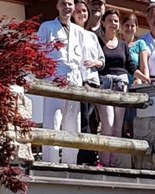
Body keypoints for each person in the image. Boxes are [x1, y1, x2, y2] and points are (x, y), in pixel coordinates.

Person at [37, 0, 86, 164]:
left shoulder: (80, 31)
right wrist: (43, 75)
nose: (67, 7)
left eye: (70, 4)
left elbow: (84, 60)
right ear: (57, 6)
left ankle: (70, 163)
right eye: (63, 4)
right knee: (53, 120)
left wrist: (84, 80)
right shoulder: (47, 27)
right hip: (54, 77)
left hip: (75, 79)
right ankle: (50, 163)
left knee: (73, 122)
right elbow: (38, 53)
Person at [96, 9, 137, 167]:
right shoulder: (98, 42)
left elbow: (131, 67)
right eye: (110, 20)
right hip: (105, 84)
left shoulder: (122, 45)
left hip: (122, 84)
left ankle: (114, 162)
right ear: (104, 23)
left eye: (116, 21)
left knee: (118, 126)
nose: (113, 24)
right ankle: (104, 161)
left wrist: (145, 77)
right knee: (108, 124)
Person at [72, 0, 104, 166]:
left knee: (93, 121)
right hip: (79, 81)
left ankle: (91, 157)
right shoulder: (70, 32)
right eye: (78, 11)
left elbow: (102, 60)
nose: (82, 14)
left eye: (84, 11)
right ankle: (82, 157)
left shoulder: (92, 35)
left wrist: (95, 63)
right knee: (81, 120)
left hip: (93, 81)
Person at [120, 13, 150, 150]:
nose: (129, 28)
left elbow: (143, 65)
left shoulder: (140, 44)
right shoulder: (118, 44)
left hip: (134, 86)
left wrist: (143, 81)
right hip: (119, 86)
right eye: (126, 25)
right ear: (121, 27)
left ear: (136, 27)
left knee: (131, 121)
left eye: (132, 26)